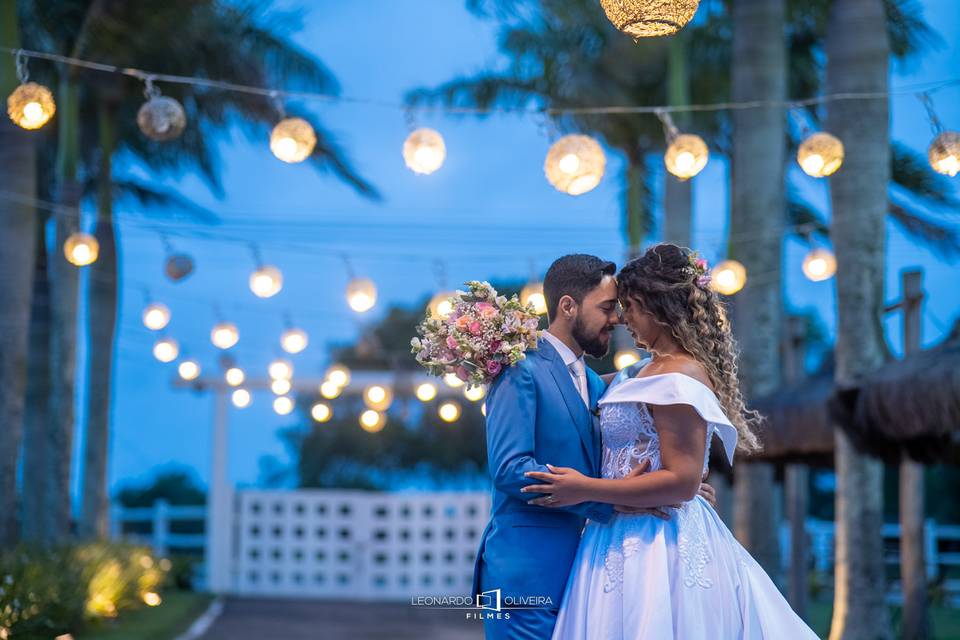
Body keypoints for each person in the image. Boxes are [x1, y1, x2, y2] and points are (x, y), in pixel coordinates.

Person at [522, 244, 819, 639]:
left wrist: (584, 489)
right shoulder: (643, 370)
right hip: (614, 535)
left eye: (629, 306)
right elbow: (571, 389)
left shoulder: (679, 377)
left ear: (656, 307)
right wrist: (512, 358)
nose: (623, 319)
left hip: (660, 544)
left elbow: (681, 480)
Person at [473, 253, 716, 640]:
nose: (617, 318)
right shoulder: (519, 367)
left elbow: (627, 442)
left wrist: (670, 482)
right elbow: (509, 469)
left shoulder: (596, 382)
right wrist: (603, 499)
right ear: (568, 307)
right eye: (606, 308)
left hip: (583, 571)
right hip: (525, 572)